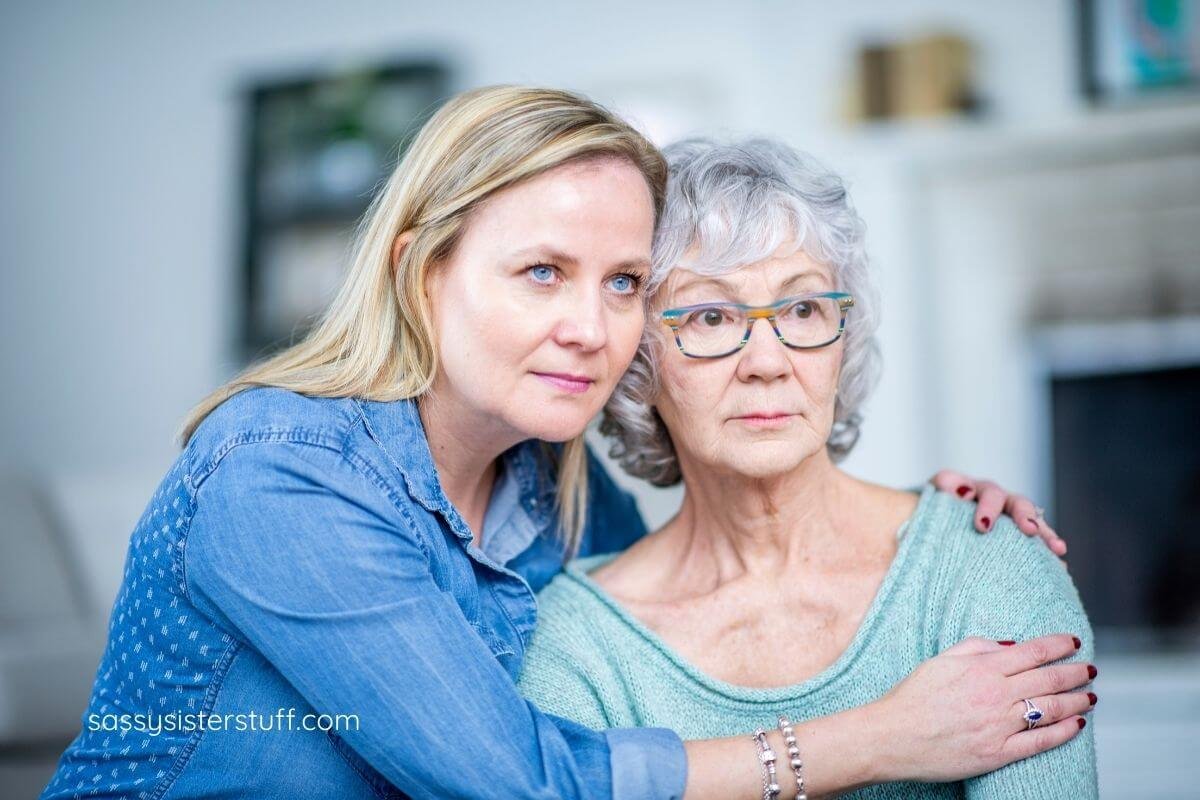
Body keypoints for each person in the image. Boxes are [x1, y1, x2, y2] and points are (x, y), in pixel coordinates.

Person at [43, 89, 1078, 800]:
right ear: (421, 273)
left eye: (624, 281)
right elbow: (516, 782)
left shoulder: (552, 489)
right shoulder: (280, 475)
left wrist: (939, 514)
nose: (593, 325)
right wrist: (882, 738)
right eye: (542, 270)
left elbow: (708, 542)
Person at [516, 137, 1098, 799]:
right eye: (710, 316)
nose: (768, 361)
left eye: (801, 309)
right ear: (636, 363)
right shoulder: (579, 642)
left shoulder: (986, 562)